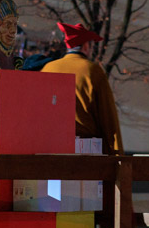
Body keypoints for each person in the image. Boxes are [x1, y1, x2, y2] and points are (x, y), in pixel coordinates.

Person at [41, 21, 123, 153]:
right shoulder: (92, 70)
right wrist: (117, 154)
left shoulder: (48, 69)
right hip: (86, 151)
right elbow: (108, 117)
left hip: (51, 148)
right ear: (86, 46)